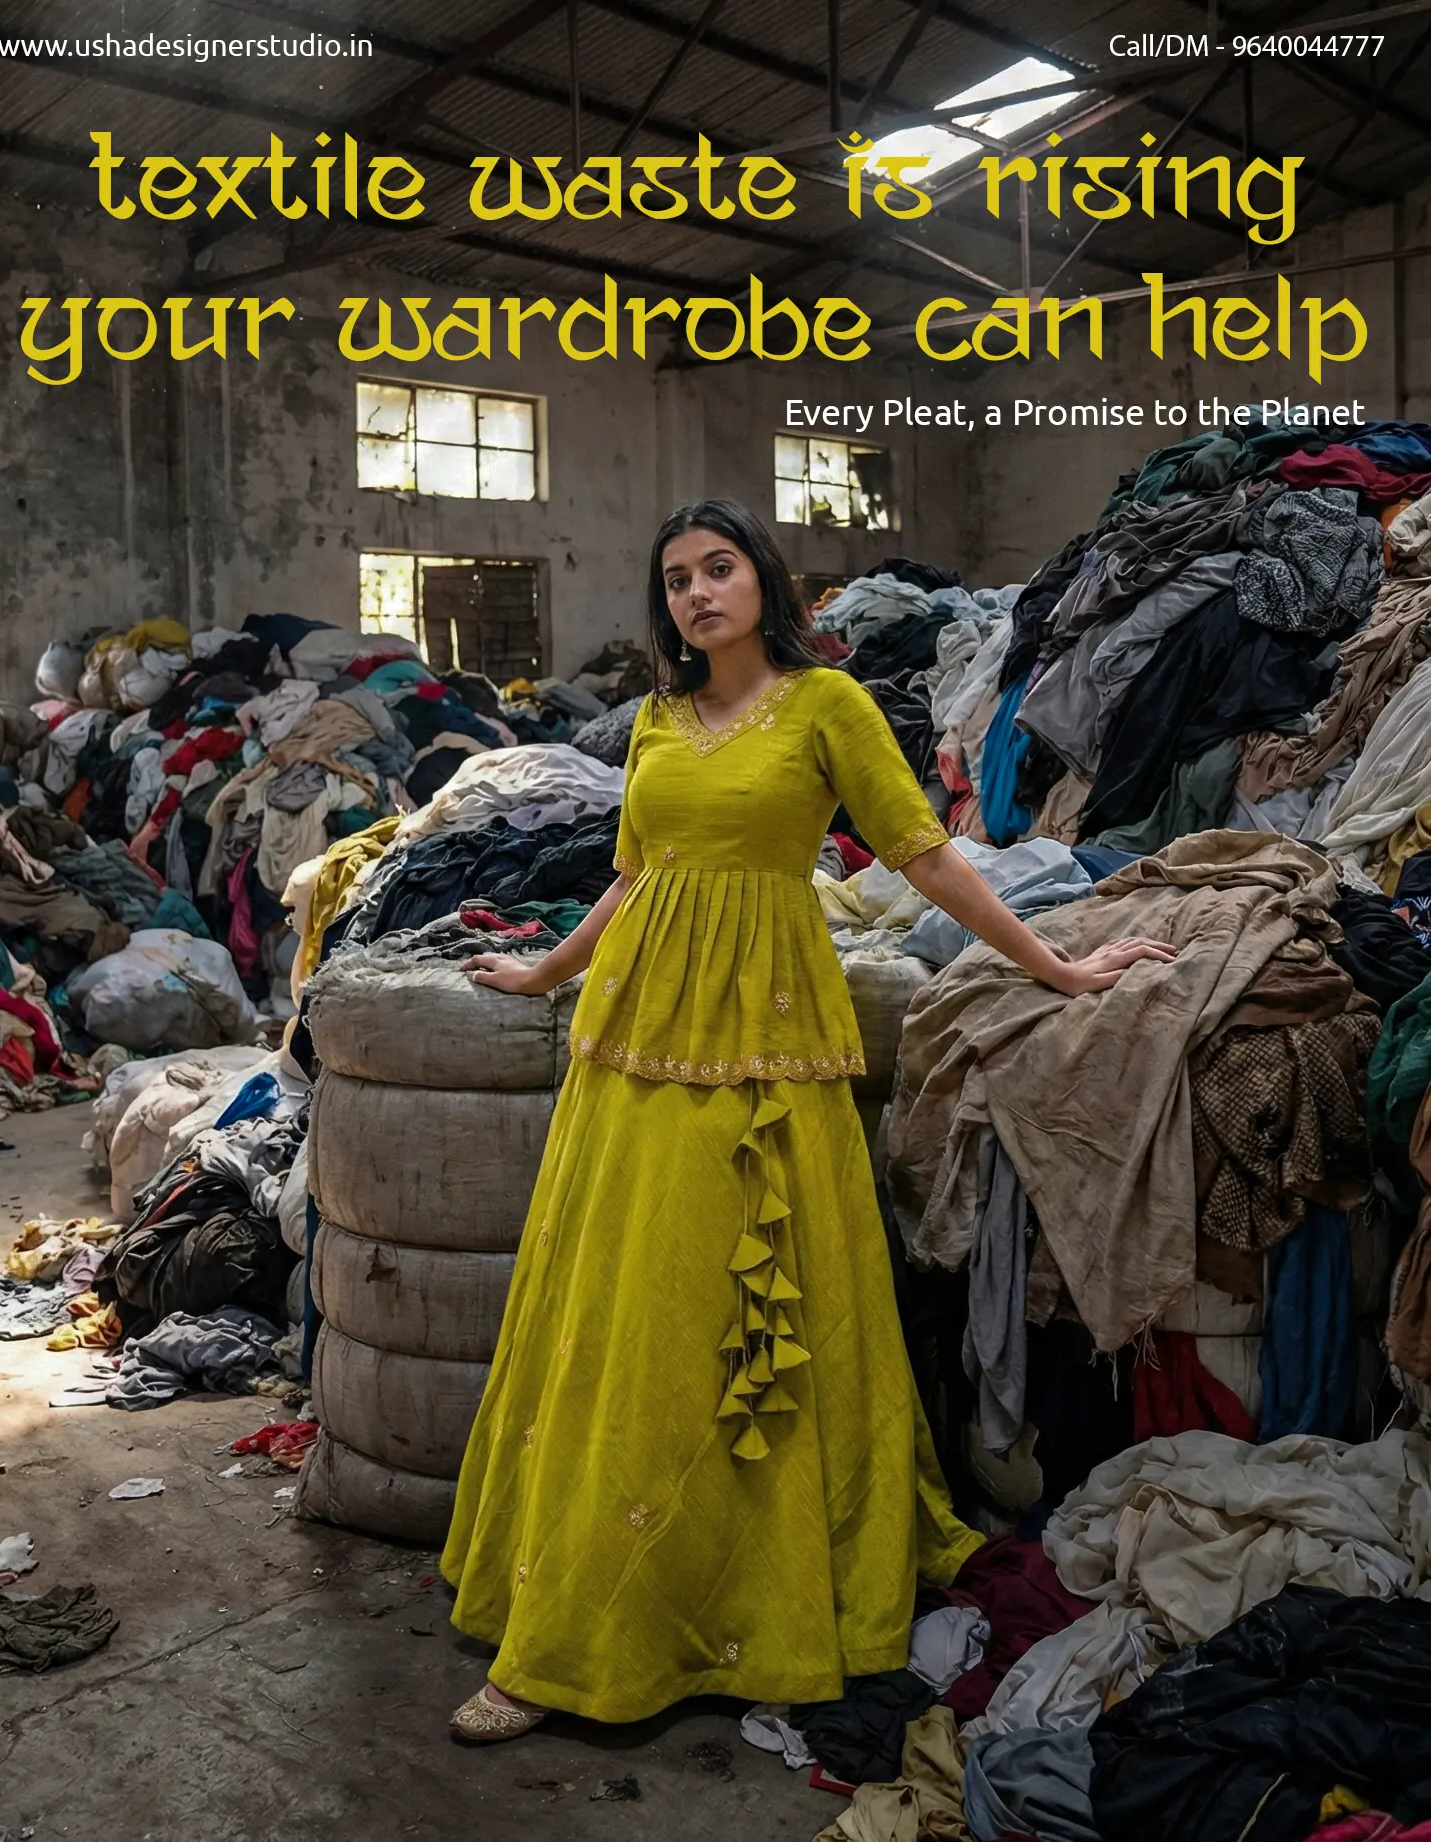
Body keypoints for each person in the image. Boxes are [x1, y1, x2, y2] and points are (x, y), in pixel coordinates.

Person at [443, 500, 1176, 1742]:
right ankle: (571, 1605)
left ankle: (740, 1601)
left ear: (762, 580)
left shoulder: (830, 705)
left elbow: (925, 857)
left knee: (734, 1308)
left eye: (717, 568)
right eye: (674, 577)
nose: (695, 593)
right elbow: (633, 874)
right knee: (627, 1309)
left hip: (766, 1043)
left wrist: (1055, 966)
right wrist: (543, 974)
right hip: (632, 1045)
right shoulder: (658, 722)